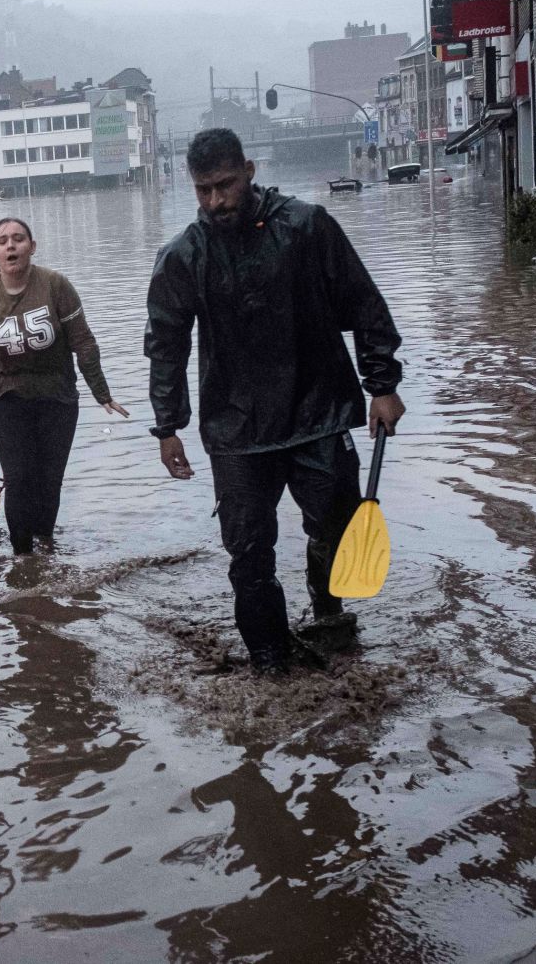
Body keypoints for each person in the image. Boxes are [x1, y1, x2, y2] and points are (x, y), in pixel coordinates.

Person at [144, 128, 405, 676]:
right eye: (203, 191)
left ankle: (329, 615)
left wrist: (381, 384)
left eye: (225, 185)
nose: (216, 201)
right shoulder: (184, 256)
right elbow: (165, 345)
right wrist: (168, 426)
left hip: (318, 412)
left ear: (249, 171)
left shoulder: (307, 226)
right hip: (236, 430)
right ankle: (270, 661)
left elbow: (363, 303)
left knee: (334, 530)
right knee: (249, 553)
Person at [0, 217, 130, 555]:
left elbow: (84, 342)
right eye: (2, 241)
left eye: (19, 239)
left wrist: (101, 392)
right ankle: (22, 557)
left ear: (32, 247)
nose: (11, 246)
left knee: (50, 477)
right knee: (20, 475)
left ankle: (46, 545)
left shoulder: (55, 285)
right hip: (4, 397)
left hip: (57, 396)